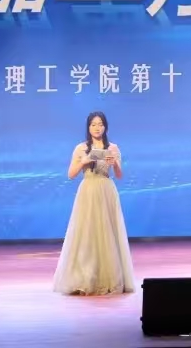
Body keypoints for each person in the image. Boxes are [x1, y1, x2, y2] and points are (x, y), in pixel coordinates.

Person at [52, 111, 136, 295]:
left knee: (107, 233)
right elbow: (70, 174)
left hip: (106, 190)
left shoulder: (113, 147)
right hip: (88, 191)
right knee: (87, 232)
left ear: (105, 127)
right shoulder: (81, 148)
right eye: (93, 124)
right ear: (88, 127)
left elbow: (119, 175)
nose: (97, 128)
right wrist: (84, 161)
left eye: (100, 124)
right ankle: (85, 277)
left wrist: (115, 163)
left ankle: (108, 277)